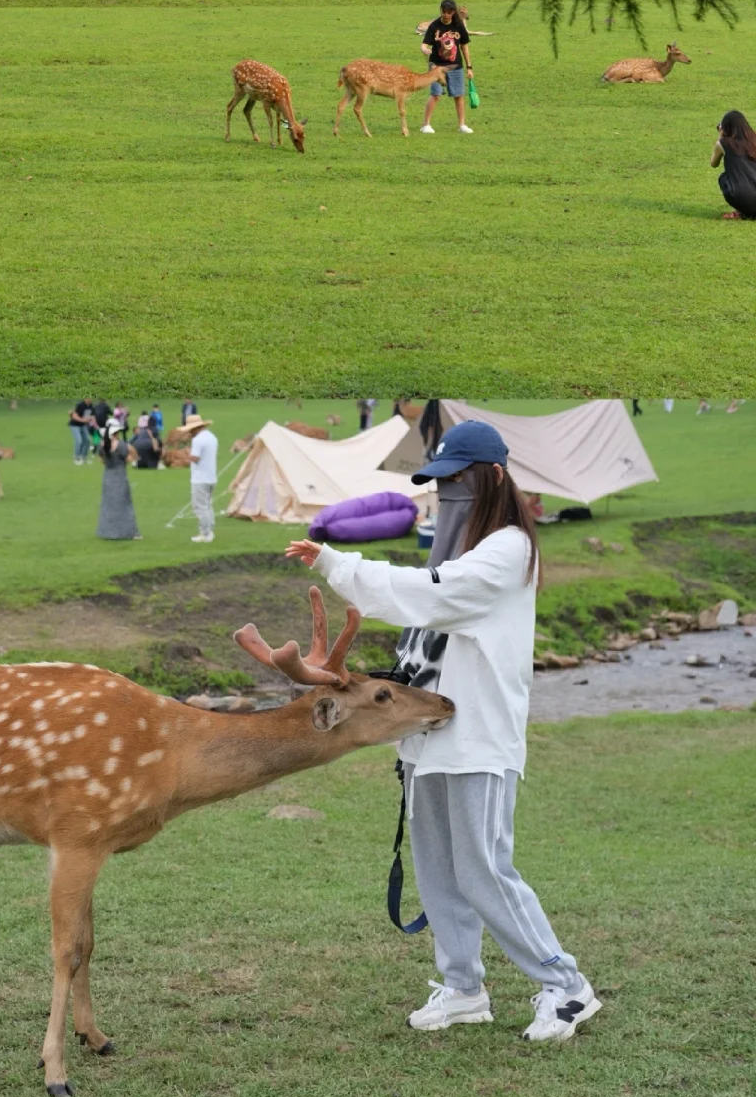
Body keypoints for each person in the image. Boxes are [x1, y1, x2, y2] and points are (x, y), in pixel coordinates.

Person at [286, 419, 601, 1043]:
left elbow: (432, 596)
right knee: (436, 867)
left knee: (483, 869)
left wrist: (337, 563)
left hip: (480, 737)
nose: (448, 493)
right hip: (428, 737)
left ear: (494, 478)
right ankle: (462, 989)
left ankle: (567, 987)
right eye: (440, 483)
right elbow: (423, 643)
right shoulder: (462, 547)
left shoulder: (506, 550)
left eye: (458, 481)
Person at [420, 0, 475, 135]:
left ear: (453, 12)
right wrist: (424, 49)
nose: (446, 15)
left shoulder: (458, 26)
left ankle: (462, 125)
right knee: (436, 94)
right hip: (436, 67)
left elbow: (464, 47)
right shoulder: (434, 26)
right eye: (444, 12)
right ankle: (426, 124)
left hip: (455, 66)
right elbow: (424, 43)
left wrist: (469, 67)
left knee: (459, 95)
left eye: (449, 12)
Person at [96, 421, 141, 539]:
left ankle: (108, 531)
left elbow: (102, 461)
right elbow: (131, 459)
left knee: (108, 504)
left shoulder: (101, 445)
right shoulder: (121, 445)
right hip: (120, 475)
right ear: (116, 433)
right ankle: (129, 532)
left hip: (108, 476)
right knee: (124, 504)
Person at [710, 110, 756, 219]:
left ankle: (741, 212)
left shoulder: (724, 143)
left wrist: (720, 136)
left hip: (745, 198)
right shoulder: (754, 141)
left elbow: (713, 163)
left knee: (724, 178)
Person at [185, 413, 218, 544]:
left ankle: (205, 533)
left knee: (200, 507)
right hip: (211, 476)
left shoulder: (197, 440)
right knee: (208, 504)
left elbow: (195, 458)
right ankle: (210, 528)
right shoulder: (212, 437)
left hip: (200, 478)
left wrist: (188, 452)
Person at [69, 399, 95, 464]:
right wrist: (83, 420)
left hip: (83, 425)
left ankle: (83, 458)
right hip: (74, 425)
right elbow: (74, 416)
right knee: (79, 441)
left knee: (87, 441)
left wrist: (92, 420)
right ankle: (76, 458)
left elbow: (91, 416)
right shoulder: (80, 405)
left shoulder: (91, 406)